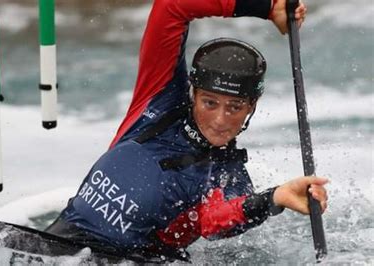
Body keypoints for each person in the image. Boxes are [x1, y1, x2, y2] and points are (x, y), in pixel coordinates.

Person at [46, 0, 328, 262]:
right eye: (209, 102)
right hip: (56, 244)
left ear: (251, 107)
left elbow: (214, 221)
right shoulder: (157, 101)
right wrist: (264, 6)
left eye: (235, 107)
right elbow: (172, 6)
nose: (219, 119)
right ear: (193, 93)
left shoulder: (229, 177)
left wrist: (275, 198)